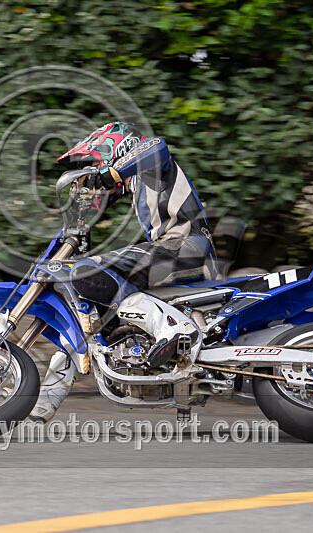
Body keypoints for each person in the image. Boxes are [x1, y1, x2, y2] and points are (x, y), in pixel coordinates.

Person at [29, 122, 219, 422]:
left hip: (185, 248)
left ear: (115, 148)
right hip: (175, 254)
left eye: (94, 162)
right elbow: (103, 195)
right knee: (93, 314)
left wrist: (109, 173)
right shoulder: (137, 185)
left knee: (84, 270)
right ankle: (45, 399)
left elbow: (156, 146)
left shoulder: (150, 166)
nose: (93, 171)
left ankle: (170, 328)